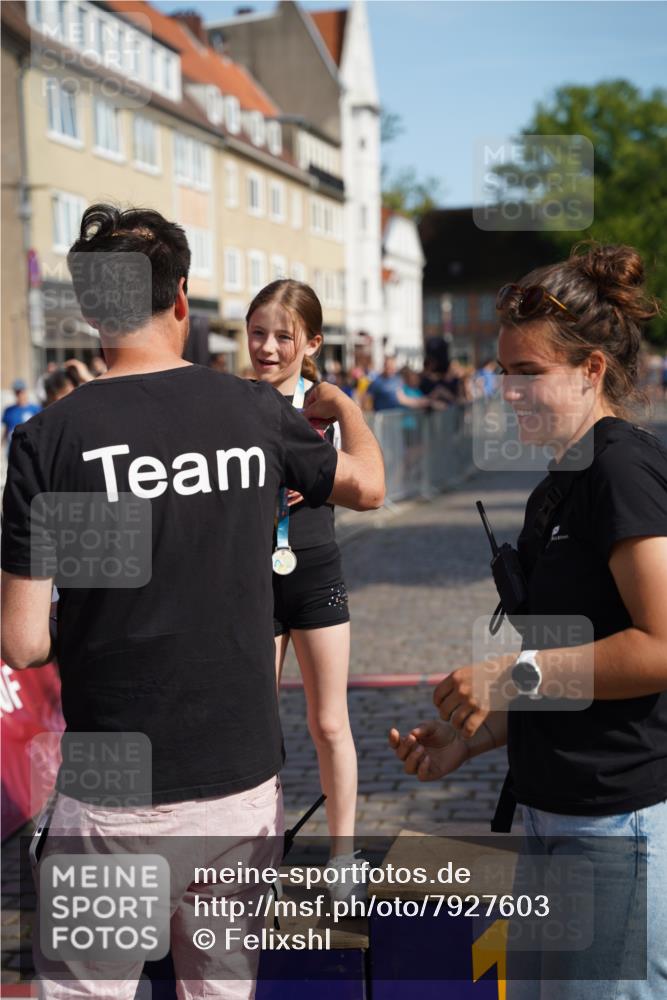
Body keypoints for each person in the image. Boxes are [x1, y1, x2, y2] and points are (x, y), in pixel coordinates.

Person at [1, 203, 385, 1000]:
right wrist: (345, 407)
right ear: (181, 301)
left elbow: (25, 641)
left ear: (91, 311)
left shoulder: (51, 440)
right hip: (237, 782)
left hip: (114, 785)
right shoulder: (255, 413)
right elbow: (368, 488)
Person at [389, 243, 667, 998]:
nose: (506, 392)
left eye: (528, 373)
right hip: (552, 813)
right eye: (502, 372)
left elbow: (659, 645)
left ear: (590, 371)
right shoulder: (559, 481)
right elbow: (564, 672)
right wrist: (471, 737)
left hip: (611, 826)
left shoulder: (619, 470)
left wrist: (512, 674)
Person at [245, 279, 363, 896]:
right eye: (257, 333)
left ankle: (343, 860)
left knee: (329, 723)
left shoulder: (327, 406)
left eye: (282, 336)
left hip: (313, 572)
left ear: (310, 342)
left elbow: (366, 484)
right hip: (249, 579)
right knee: (254, 725)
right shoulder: (232, 404)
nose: (267, 348)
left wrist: (343, 411)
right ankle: (258, 859)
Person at [365, 356, 429, 413]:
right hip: (381, 418)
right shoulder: (377, 381)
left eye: (393, 367)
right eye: (388, 367)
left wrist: (421, 403)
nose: (391, 369)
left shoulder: (397, 380)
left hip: (395, 418)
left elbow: (402, 399)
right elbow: (368, 398)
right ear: (384, 366)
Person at [2, 379, 41, 449]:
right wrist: (1, 444)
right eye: (17, 392)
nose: (19, 395)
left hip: (29, 447)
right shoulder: (9, 410)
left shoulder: (35, 409)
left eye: (21, 392)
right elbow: (6, 429)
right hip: (12, 448)